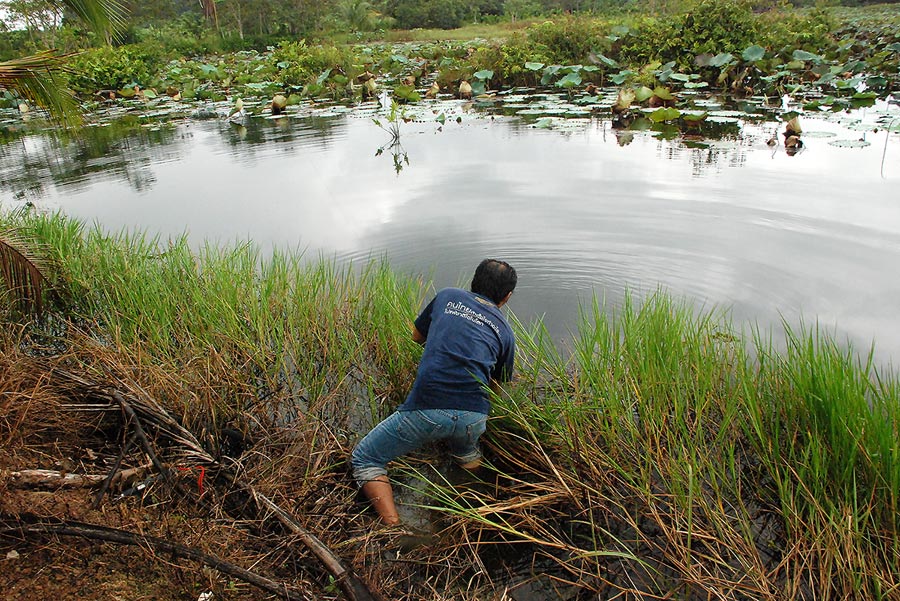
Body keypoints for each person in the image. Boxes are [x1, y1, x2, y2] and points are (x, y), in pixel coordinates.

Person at [351, 259, 518, 526]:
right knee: (466, 453)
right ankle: (470, 510)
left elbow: (417, 336)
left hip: (427, 409)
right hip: (474, 418)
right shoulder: (506, 333)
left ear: (473, 281)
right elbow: (495, 389)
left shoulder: (449, 296)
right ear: (507, 297)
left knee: (366, 458)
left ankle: (393, 527)